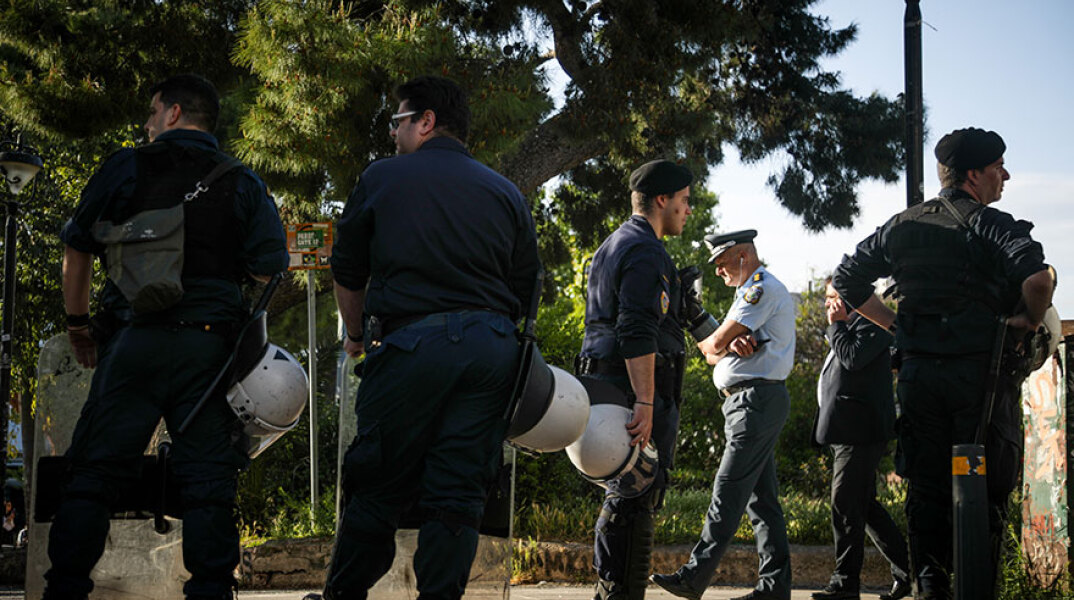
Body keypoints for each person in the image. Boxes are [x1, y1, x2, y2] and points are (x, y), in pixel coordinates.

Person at [44, 73, 289, 600]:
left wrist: (78, 326)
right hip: (208, 351)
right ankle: (210, 590)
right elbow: (272, 269)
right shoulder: (241, 180)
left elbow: (77, 249)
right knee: (207, 484)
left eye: (152, 113)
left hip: (134, 343)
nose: (147, 123)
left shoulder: (125, 167)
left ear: (173, 113)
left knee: (93, 474)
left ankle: (65, 588)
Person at [321, 76, 541, 600]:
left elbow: (348, 270)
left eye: (398, 121)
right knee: (459, 491)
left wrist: (355, 336)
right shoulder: (506, 192)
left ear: (425, 122)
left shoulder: (382, 177)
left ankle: (343, 594)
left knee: (376, 479)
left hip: (411, 346)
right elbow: (528, 286)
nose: (394, 134)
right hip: (492, 351)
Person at [832, 127, 1055, 600]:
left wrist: (896, 324)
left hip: (917, 378)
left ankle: (930, 586)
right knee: (987, 490)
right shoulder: (991, 224)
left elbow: (848, 279)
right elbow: (1038, 280)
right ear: (974, 174)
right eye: (998, 167)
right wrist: (1027, 322)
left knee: (926, 489)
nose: (1005, 175)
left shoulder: (903, 225)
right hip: (980, 380)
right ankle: (977, 587)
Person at [652, 230, 795, 600]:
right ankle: (774, 589)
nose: (717, 271)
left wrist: (720, 339)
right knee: (762, 501)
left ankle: (694, 577)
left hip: (755, 401)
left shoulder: (759, 289)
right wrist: (726, 342)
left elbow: (713, 345)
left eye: (721, 263)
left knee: (727, 490)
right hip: (747, 402)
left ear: (743, 256)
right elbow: (713, 354)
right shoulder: (743, 296)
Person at [575, 159, 694, 600]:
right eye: (683, 201)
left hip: (610, 388)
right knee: (633, 499)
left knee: (626, 496)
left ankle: (614, 591)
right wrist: (645, 402)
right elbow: (636, 328)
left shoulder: (616, 242)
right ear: (661, 200)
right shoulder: (645, 250)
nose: (688, 209)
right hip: (630, 396)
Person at [811, 279, 910, 600]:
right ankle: (908, 571)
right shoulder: (850, 327)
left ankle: (844, 584)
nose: (829, 305)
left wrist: (836, 326)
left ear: (853, 301)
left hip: (861, 433)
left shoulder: (873, 326)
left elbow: (852, 358)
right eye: (827, 299)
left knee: (844, 506)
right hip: (847, 431)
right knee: (864, 507)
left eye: (833, 299)